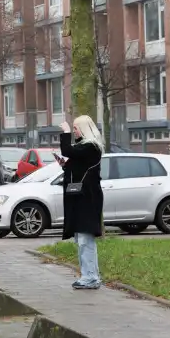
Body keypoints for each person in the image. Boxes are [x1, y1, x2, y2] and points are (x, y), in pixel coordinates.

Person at [60, 116, 105, 290]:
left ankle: (91, 277)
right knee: (81, 238)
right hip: (82, 198)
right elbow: (77, 166)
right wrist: (65, 165)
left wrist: (65, 133)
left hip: (88, 198)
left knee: (86, 239)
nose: (74, 132)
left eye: (76, 128)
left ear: (85, 128)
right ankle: (88, 274)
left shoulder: (91, 147)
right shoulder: (85, 148)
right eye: (73, 129)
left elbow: (67, 150)